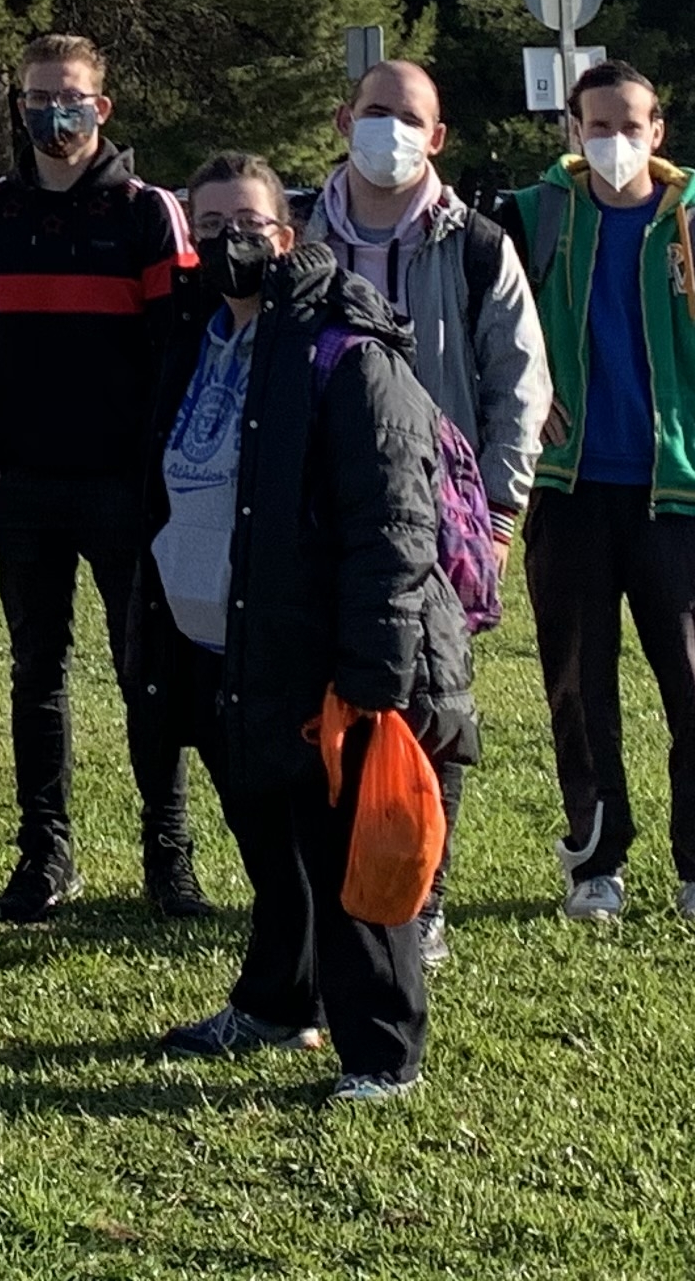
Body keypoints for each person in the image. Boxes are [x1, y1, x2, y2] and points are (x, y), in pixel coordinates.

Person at [141, 155, 481, 1104]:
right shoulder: (198, 339)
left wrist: (373, 673)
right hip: (225, 645)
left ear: (287, 234)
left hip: (325, 654)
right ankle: (277, 1002)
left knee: (346, 864)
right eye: (205, 225)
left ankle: (380, 1052)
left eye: (244, 221)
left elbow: (393, 521)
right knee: (273, 849)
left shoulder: (342, 350)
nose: (225, 241)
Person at [0, 30, 208, 920]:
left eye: (71, 95)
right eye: (37, 97)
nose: (53, 111)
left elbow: (175, 350)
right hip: (24, 484)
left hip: (126, 488)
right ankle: (45, 853)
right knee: (35, 671)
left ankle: (168, 854)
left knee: (148, 673)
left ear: (103, 106)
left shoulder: (145, 210)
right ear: (19, 107)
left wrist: (154, 472)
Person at [517, 61, 695, 929]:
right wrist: (523, 398)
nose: (614, 141)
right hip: (570, 494)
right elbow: (479, 331)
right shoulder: (532, 220)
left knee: (694, 691)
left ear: (658, 130)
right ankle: (596, 861)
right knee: (579, 688)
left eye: (630, 125)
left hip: (680, 503)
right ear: (572, 132)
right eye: (597, 125)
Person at [311, 53, 551, 967]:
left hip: (444, 527)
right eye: (375, 111)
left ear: (439, 137)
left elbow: (519, 385)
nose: (391, 131)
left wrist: (494, 513)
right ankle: (340, 888)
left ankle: (423, 897)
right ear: (343, 120)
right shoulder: (304, 241)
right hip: (331, 519)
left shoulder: (478, 243)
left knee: (434, 714)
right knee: (335, 706)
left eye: (410, 117)